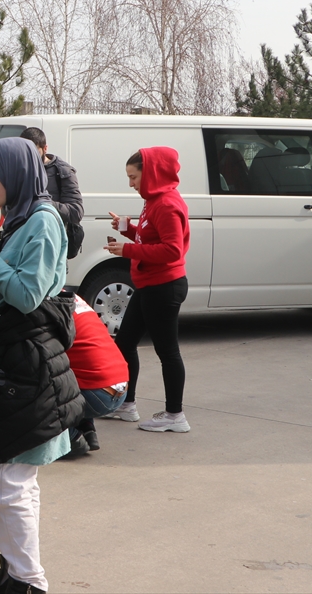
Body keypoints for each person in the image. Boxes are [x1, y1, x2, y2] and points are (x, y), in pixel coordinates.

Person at [0, 137, 83, 594]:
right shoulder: (24, 219)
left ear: (16, 173)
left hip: (25, 366)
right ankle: (14, 572)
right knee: (8, 479)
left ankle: (30, 582)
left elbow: (27, 295)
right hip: (11, 362)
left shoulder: (43, 222)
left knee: (9, 481)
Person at [102, 147, 191, 433]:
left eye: (133, 177)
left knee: (168, 352)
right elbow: (149, 233)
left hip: (164, 286)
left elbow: (172, 249)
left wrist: (127, 249)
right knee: (125, 343)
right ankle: (127, 405)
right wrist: (127, 228)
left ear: (150, 173)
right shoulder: (152, 201)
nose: (131, 183)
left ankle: (175, 415)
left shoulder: (166, 204)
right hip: (149, 285)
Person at [61, 296, 129, 456]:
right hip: (120, 385)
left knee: (37, 378)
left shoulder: (46, 304)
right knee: (77, 370)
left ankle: (69, 437)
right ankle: (87, 429)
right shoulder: (73, 299)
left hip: (97, 391)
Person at [19, 127, 84, 258]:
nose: (30, 157)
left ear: (45, 148)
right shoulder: (20, 169)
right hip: (22, 245)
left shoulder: (63, 172)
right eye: (26, 152)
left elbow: (76, 212)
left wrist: (42, 203)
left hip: (52, 249)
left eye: (34, 152)